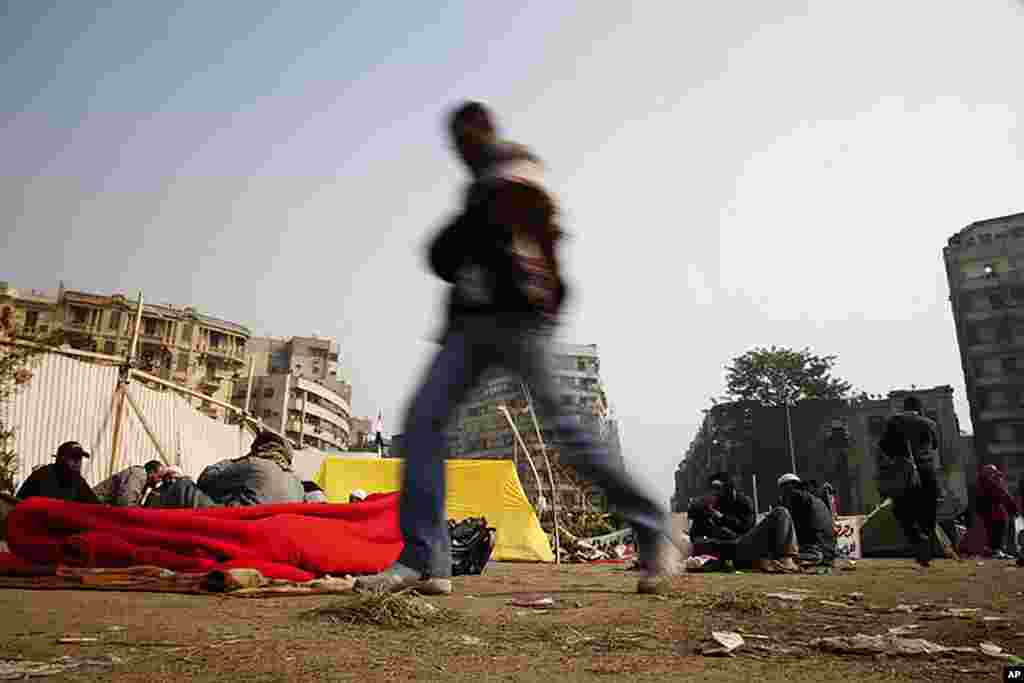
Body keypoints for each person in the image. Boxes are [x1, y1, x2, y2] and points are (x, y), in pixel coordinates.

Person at [354, 102, 678, 597]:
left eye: (468, 136)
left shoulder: (514, 166)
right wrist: (462, 236)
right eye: (456, 140)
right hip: (467, 327)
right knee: (422, 424)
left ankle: (654, 531)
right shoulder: (475, 194)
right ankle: (425, 559)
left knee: (568, 432)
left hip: (521, 320)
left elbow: (526, 217)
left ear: (484, 131)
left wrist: (475, 233)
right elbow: (443, 256)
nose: (462, 147)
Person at [879, 395, 940, 567]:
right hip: (928, 473)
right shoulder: (930, 423)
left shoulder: (894, 421)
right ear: (919, 408)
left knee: (902, 510)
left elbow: (884, 446)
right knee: (928, 511)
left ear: (904, 407)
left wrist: (896, 457)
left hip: (904, 473)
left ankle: (917, 539)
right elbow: (934, 446)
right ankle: (927, 548)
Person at [197, 431, 305, 506]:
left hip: (238, 525)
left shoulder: (254, 464)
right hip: (273, 530)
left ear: (259, 448)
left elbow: (205, 479)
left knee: (186, 486)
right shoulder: (298, 485)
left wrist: (236, 461)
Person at [776, 473, 837, 567]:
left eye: (782, 489)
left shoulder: (795, 496)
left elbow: (790, 527)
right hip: (828, 551)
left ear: (787, 486)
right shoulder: (813, 496)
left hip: (815, 549)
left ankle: (810, 557)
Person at [16, 441, 100, 504]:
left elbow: (95, 506)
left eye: (79, 458)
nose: (77, 462)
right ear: (61, 459)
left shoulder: (79, 482)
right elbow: (19, 501)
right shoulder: (42, 474)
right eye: (73, 457)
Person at [687, 472, 755, 548]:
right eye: (712, 488)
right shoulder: (716, 501)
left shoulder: (744, 502)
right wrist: (697, 507)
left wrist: (722, 518)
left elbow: (745, 527)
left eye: (717, 488)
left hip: (739, 543)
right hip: (718, 542)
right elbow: (694, 514)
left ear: (727, 488)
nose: (714, 492)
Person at [975, 464, 1018, 559]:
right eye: (993, 473)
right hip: (994, 512)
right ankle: (996, 551)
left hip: (991, 512)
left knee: (993, 532)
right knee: (997, 531)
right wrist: (1012, 508)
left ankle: (993, 550)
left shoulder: (982, 483)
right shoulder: (990, 483)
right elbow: (1002, 495)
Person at [93, 460, 166, 506]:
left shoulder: (144, 482)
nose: (159, 481)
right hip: (93, 504)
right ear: (151, 472)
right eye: (159, 477)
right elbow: (125, 503)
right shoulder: (139, 474)